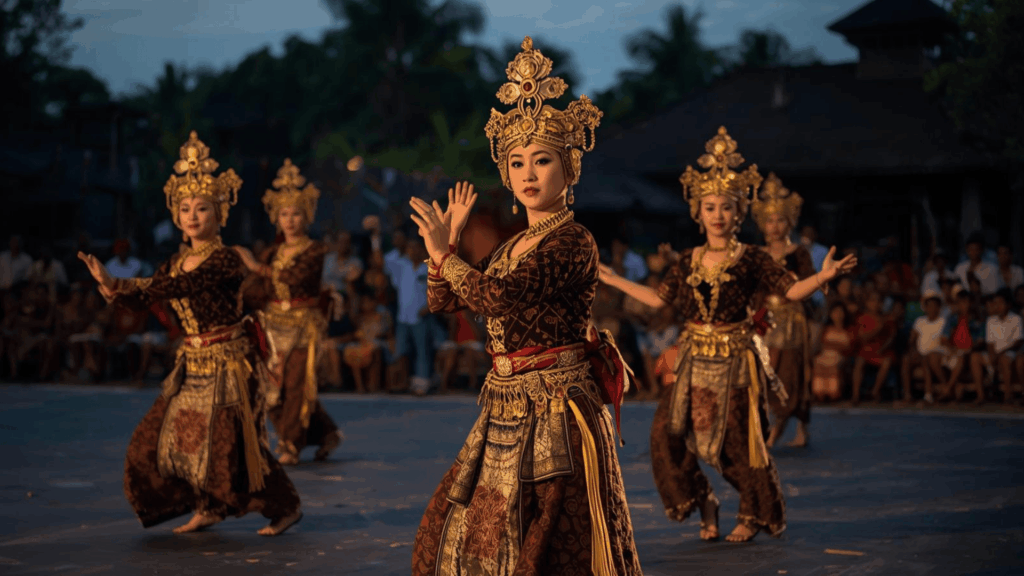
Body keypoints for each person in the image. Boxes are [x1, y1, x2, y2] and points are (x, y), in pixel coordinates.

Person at [407, 37, 642, 576]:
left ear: (569, 169)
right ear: (507, 175)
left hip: (558, 405)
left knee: (553, 537)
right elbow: (442, 300)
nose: (529, 174)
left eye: (543, 160)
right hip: (505, 404)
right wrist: (441, 252)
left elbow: (498, 297)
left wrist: (450, 256)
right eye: (517, 163)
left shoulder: (573, 241)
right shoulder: (510, 246)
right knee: (452, 529)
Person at [598, 126, 856, 542]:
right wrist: (615, 279)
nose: (717, 214)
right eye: (710, 206)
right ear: (697, 212)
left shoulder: (751, 257)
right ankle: (704, 501)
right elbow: (659, 299)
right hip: (694, 358)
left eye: (726, 207)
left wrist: (823, 275)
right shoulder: (687, 259)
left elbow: (789, 290)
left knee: (735, 443)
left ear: (739, 213)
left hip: (736, 362)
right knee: (667, 436)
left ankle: (754, 511)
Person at [77, 132, 301, 535]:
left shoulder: (225, 260)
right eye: (185, 208)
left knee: (229, 450)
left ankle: (283, 506)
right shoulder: (174, 261)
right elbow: (152, 298)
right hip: (191, 365)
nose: (193, 215)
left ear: (219, 213)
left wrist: (122, 283)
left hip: (229, 365)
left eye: (202, 208)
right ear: (176, 216)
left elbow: (178, 288)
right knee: (154, 442)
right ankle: (208, 506)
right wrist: (115, 291)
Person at [235, 158, 343, 465]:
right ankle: (326, 434)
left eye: (296, 213)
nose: (290, 219)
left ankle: (289, 443)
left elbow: (298, 279)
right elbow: (257, 289)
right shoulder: (273, 251)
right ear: (276, 217)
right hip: (273, 325)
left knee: (297, 383)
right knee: (269, 386)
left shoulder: (314, 250)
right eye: (284, 214)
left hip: (303, 325)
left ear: (306, 215)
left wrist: (258, 268)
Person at [751, 173, 817, 448]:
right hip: (767, 319)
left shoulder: (798, 251)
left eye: (780, 220)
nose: (775, 226)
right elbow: (754, 289)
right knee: (765, 372)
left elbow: (810, 282)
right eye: (769, 220)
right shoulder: (757, 253)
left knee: (791, 373)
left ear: (789, 221)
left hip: (791, 319)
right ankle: (770, 423)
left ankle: (797, 426)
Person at [901, 291, 947, 404]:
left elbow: (945, 341)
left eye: (934, 306)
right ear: (925, 308)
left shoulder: (943, 321)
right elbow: (912, 339)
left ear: (939, 308)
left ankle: (928, 396)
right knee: (906, 359)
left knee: (927, 359)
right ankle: (907, 395)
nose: (931, 309)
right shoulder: (919, 321)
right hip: (920, 353)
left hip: (937, 353)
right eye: (929, 306)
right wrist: (913, 350)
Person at [812, 302, 856, 402]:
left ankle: (833, 394)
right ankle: (819, 394)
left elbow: (850, 346)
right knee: (818, 363)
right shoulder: (826, 328)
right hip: (825, 354)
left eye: (840, 312)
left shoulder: (849, 330)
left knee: (834, 365)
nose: (837, 315)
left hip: (840, 355)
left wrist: (835, 346)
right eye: (835, 312)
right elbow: (820, 343)